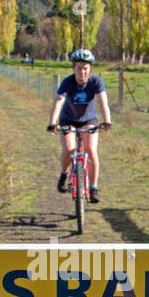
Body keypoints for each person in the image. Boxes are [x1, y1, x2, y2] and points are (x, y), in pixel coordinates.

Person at [46, 48, 111, 203]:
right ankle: (64, 174)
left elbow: (103, 102)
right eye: (79, 68)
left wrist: (107, 121)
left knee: (91, 151)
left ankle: (93, 188)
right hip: (68, 119)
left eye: (86, 68)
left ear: (90, 69)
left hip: (89, 120)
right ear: (74, 68)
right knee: (69, 150)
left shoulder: (96, 82)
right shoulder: (68, 82)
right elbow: (59, 101)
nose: (82, 72)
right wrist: (52, 123)